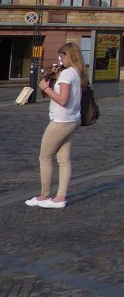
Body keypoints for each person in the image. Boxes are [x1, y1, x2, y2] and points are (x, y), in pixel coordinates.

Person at [26, 42, 86, 209]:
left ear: (70, 56)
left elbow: (62, 99)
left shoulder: (67, 74)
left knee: (44, 157)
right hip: (73, 119)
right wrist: (51, 79)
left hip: (61, 121)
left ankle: (44, 195)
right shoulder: (76, 72)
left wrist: (45, 87)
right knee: (63, 160)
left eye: (62, 56)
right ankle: (60, 197)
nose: (60, 59)